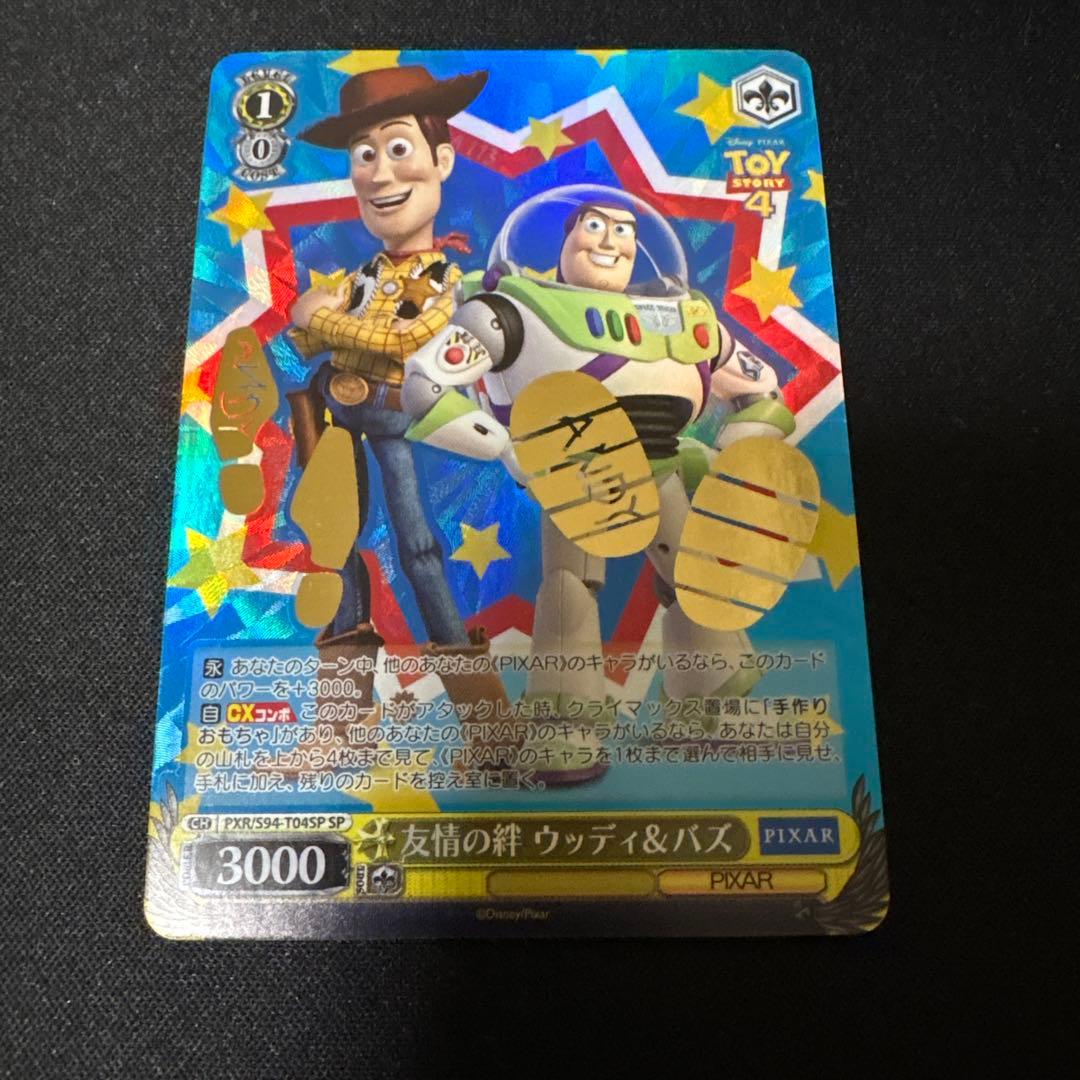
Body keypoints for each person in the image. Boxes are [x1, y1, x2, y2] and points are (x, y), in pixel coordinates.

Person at [287, 65, 508, 737]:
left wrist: (327, 319)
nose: (380, 174)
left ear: (442, 161)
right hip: (331, 415)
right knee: (333, 548)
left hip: (395, 415)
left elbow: (406, 338)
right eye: (364, 154)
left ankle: (486, 727)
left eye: (398, 147)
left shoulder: (448, 277)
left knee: (419, 551)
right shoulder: (361, 275)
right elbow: (301, 335)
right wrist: (323, 322)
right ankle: (341, 725)